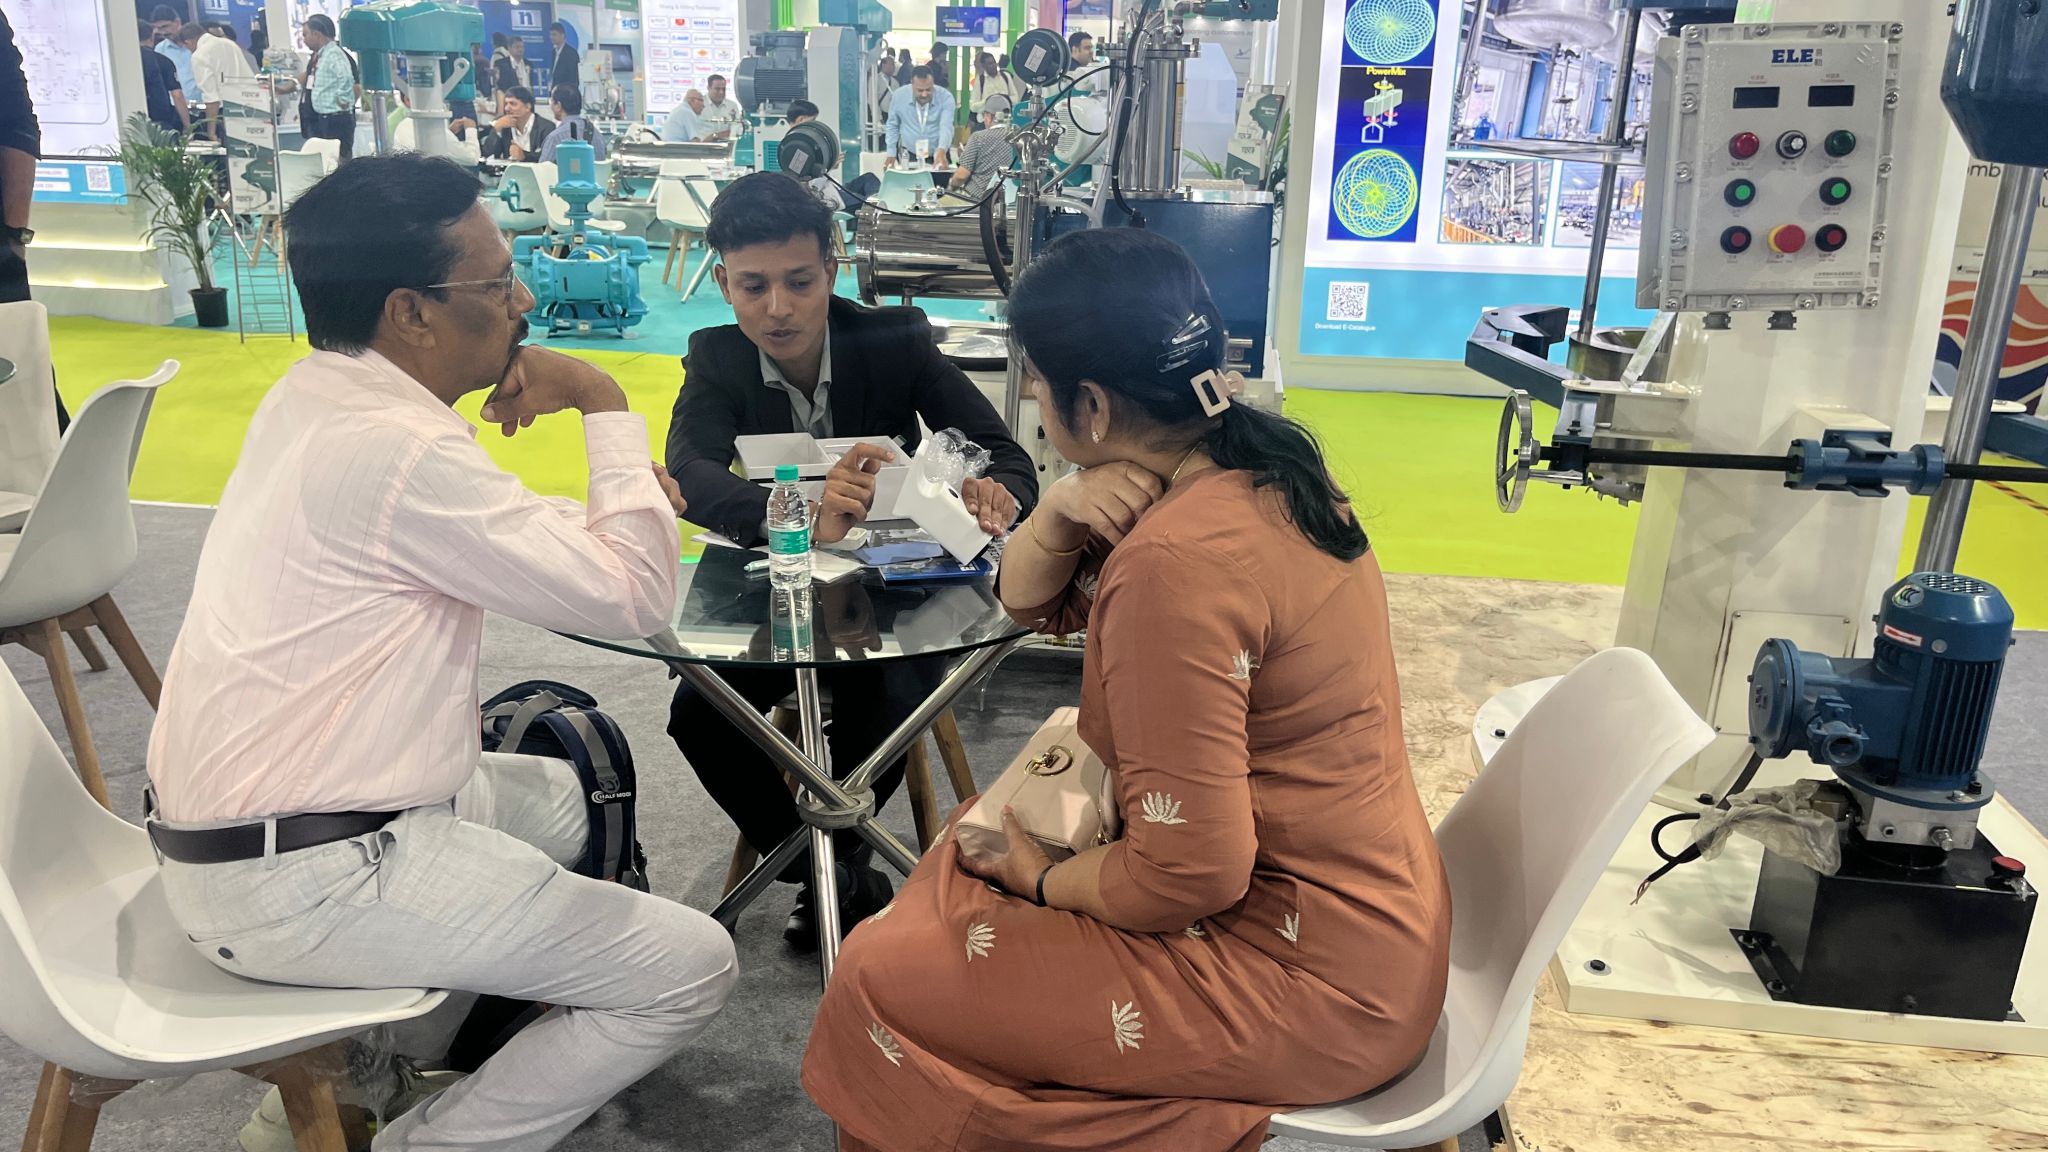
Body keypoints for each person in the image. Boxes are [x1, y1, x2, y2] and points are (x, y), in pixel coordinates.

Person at [800, 228, 1452, 1152]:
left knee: (878, 966)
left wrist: (1041, 880)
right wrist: (1062, 504)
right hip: (1374, 924)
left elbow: (1192, 873)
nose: (1032, 398)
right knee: (964, 861)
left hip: (1307, 978)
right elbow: (1027, 601)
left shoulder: (1174, 563)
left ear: (1094, 403)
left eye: (1037, 380)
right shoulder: (1266, 469)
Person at [146, 152, 735, 1152]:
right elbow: (634, 596)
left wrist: (612, 509)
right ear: (410, 313)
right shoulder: (402, 450)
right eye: (498, 282)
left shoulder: (318, 397)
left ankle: (364, 1073)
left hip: (243, 833)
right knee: (690, 967)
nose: (524, 300)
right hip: (309, 875)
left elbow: (467, 530)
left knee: (564, 798)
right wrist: (600, 402)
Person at [665, 173, 1035, 950]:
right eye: (753, 286)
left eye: (799, 282)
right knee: (698, 716)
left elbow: (1005, 457)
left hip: (894, 594)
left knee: (886, 700)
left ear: (831, 270)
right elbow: (689, 472)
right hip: (775, 591)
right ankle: (832, 870)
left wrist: (992, 494)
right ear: (724, 282)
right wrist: (795, 515)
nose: (778, 308)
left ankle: (828, 866)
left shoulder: (894, 339)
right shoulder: (717, 356)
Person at [786, 99, 877, 211]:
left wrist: (830, 165)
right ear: (801, 119)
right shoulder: (793, 148)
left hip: (833, 187)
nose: (814, 124)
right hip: (827, 196)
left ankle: (881, 206)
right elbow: (808, 187)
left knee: (869, 178)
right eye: (813, 120)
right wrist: (829, 166)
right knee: (868, 204)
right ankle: (880, 211)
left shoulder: (806, 141)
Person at [299, 14, 357, 160]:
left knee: (338, 161)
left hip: (335, 119)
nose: (304, 40)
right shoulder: (321, 56)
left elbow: (346, 77)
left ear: (316, 34)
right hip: (324, 118)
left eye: (306, 35)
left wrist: (343, 100)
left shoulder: (334, 54)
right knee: (326, 161)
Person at [192, 21, 254, 140]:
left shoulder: (200, 55)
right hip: (251, 107)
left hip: (226, 113)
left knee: (230, 149)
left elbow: (212, 99)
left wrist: (211, 132)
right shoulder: (231, 45)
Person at [883, 66, 953, 168]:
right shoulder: (899, 96)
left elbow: (946, 126)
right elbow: (892, 125)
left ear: (933, 83)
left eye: (928, 89)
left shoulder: (945, 97)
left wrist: (942, 149)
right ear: (912, 84)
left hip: (939, 153)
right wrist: (891, 152)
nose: (924, 94)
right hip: (910, 154)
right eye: (920, 90)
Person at [948, 94, 1014, 201]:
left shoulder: (978, 137)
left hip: (976, 199)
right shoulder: (1018, 137)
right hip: (1007, 199)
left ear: (988, 116)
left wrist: (950, 186)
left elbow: (961, 176)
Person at [139, 19, 190, 135]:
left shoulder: (120, 63)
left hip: (132, 121)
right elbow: (177, 95)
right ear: (151, 38)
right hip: (160, 122)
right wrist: (187, 126)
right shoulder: (162, 60)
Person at [481, 85, 553, 161]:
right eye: (506, 104)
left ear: (527, 107)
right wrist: (496, 129)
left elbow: (549, 158)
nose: (507, 109)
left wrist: (525, 156)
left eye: (512, 104)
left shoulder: (546, 128)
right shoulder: (503, 125)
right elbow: (487, 155)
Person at [540, 84, 605, 164]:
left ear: (558, 106)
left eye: (551, 101)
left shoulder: (555, 138)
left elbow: (542, 169)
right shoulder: (597, 134)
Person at [155, 13, 202, 106]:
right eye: (159, 28)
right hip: (176, 106)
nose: (163, 32)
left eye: (165, 26)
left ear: (177, 22)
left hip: (204, 103)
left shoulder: (197, 44)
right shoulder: (160, 49)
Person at [696, 73, 744, 141]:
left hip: (726, 145)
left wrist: (716, 136)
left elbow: (737, 129)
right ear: (708, 88)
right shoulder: (698, 104)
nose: (721, 92)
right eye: (717, 89)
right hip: (702, 145)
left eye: (723, 89)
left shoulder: (732, 106)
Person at [970, 50, 1019, 115]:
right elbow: (973, 107)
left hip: (1005, 117)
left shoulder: (1006, 76)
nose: (994, 65)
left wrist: (1003, 99)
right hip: (986, 119)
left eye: (994, 62)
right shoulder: (980, 80)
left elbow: (1016, 99)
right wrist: (987, 101)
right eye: (990, 64)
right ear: (984, 66)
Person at [1068, 30, 1105, 97]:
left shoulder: (1084, 68)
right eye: (1087, 48)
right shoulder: (1073, 71)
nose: (1091, 51)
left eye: (1091, 48)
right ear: (1074, 49)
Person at [548, 21, 580, 94]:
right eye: (550, 35)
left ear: (562, 35)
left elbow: (573, 78)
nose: (551, 37)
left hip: (566, 93)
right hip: (554, 91)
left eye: (554, 34)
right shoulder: (553, 52)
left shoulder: (571, 53)